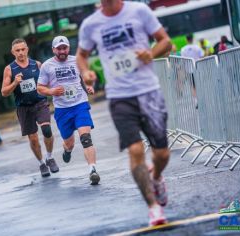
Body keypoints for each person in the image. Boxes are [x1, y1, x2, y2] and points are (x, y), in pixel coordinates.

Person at [76, 0, 171, 226]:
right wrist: (86, 71)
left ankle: (156, 177)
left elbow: (165, 41)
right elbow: (81, 55)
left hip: (148, 92)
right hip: (119, 96)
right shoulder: (90, 24)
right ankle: (153, 208)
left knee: (162, 154)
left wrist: (150, 53)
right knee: (135, 150)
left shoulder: (138, 11)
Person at [37, 36, 100, 185]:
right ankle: (67, 150)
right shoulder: (47, 66)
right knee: (69, 142)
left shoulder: (76, 61)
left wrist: (89, 87)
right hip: (62, 109)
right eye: (59, 48)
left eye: (64, 48)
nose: (62, 51)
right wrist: (51, 91)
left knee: (86, 139)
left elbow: (84, 78)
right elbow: (39, 88)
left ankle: (93, 170)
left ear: (68, 48)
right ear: (53, 50)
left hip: (80, 105)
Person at [1, 38, 59, 178]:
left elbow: (48, 82)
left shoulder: (37, 64)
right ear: (13, 52)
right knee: (33, 138)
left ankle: (50, 158)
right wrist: (15, 82)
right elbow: (4, 92)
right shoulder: (9, 69)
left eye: (23, 49)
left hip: (40, 103)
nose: (20, 53)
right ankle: (41, 163)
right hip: (23, 107)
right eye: (17, 50)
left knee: (46, 130)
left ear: (27, 49)